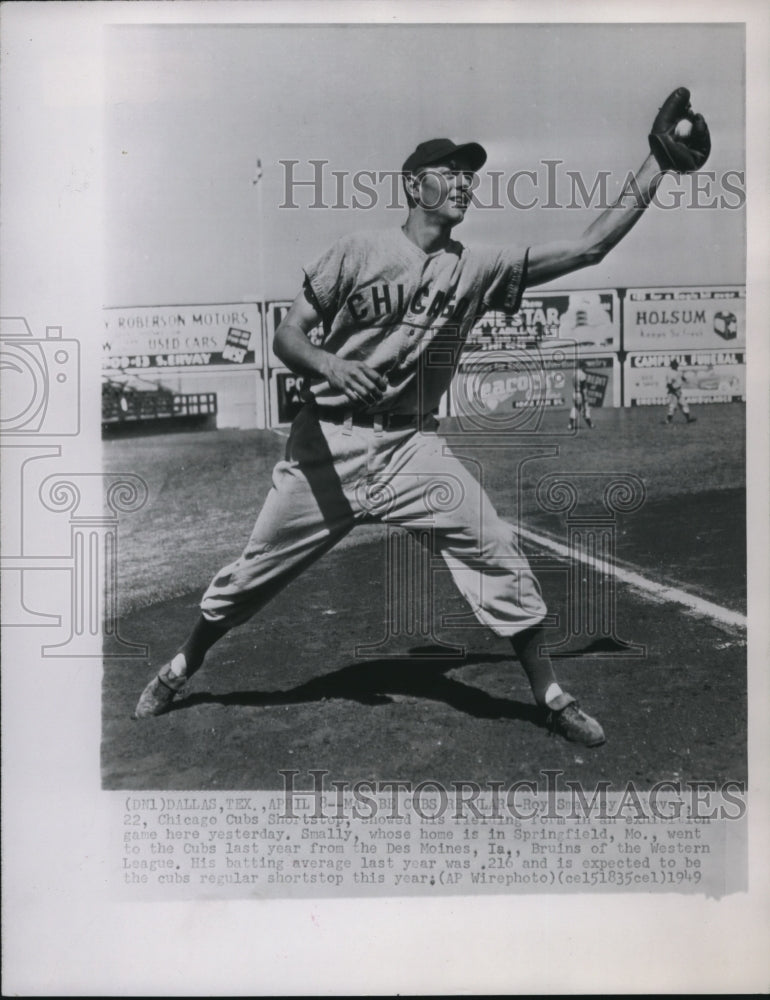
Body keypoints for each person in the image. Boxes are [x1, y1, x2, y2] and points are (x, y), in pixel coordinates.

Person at [134, 88, 709, 748]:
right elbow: (289, 337)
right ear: (414, 183)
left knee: (493, 546)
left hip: (409, 449)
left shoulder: (477, 268)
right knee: (250, 577)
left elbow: (588, 249)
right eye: (450, 171)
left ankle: (551, 694)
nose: (463, 182)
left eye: (470, 173)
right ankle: (180, 667)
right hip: (327, 446)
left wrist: (656, 165)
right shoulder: (358, 251)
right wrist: (327, 366)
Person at [665, 358, 696, 424]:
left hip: (678, 391)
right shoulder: (670, 373)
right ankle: (668, 420)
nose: (675, 366)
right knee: (673, 407)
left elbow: (682, 377)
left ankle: (688, 419)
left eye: (676, 364)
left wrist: (687, 380)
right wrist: (675, 391)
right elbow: (669, 384)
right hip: (673, 392)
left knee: (684, 405)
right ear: (671, 365)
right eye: (674, 364)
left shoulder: (679, 372)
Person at [568, 361, 594, 430]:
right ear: (582, 366)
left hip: (574, 393)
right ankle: (590, 424)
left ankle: (570, 425)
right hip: (580, 393)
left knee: (576, 408)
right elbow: (584, 387)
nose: (585, 368)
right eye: (585, 366)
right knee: (583, 409)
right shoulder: (582, 374)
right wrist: (585, 396)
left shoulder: (574, 373)